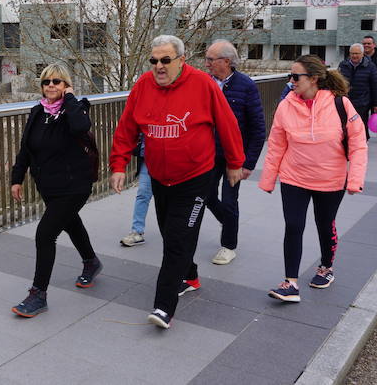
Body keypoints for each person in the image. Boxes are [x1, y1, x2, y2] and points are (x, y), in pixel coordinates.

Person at [109, 35, 244, 329]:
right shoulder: (143, 86)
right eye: (154, 60)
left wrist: (235, 163)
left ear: (181, 60)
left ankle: (163, 305)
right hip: (160, 177)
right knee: (173, 235)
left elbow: (227, 123)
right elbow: (126, 128)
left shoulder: (203, 85)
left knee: (177, 239)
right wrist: (118, 164)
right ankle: (190, 275)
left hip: (196, 178)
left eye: (165, 60)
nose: (159, 66)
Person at [260, 55, 366, 303]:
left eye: (296, 76)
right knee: (294, 226)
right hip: (294, 176)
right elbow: (276, 145)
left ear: (314, 79)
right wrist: (268, 179)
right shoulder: (286, 105)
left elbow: (358, 144)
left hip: (330, 178)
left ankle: (326, 267)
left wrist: (355, 180)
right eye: (289, 76)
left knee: (324, 223)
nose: (291, 80)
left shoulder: (341, 104)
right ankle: (290, 283)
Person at [9, 64, 101, 317]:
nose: (51, 85)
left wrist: (70, 98)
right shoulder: (37, 112)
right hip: (48, 186)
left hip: (75, 185)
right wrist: (17, 178)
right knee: (71, 223)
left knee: (45, 235)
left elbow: (81, 127)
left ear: (66, 85)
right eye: (46, 81)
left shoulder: (75, 108)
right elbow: (26, 148)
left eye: (57, 82)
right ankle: (91, 262)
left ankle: (38, 294)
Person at [203, 40, 266, 265]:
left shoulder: (246, 85)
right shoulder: (204, 83)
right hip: (208, 154)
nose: (207, 63)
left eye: (211, 59)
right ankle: (228, 222)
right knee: (206, 196)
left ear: (226, 62)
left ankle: (228, 246)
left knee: (230, 201)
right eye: (207, 59)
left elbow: (258, 128)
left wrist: (248, 163)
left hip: (233, 157)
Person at [337, 44, 377, 140]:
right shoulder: (343, 65)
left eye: (357, 53)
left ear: (362, 54)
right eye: (352, 53)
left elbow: (375, 85)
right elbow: (337, 82)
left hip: (363, 100)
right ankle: (348, 140)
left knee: (361, 122)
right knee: (346, 122)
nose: (354, 56)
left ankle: (364, 139)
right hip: (346, 100)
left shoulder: (370, 66)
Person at [120, 134, 152, 247]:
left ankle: (176, 232)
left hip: (172, 161)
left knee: (172, 197)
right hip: (148, 159)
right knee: (143, 193)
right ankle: (137, 231)